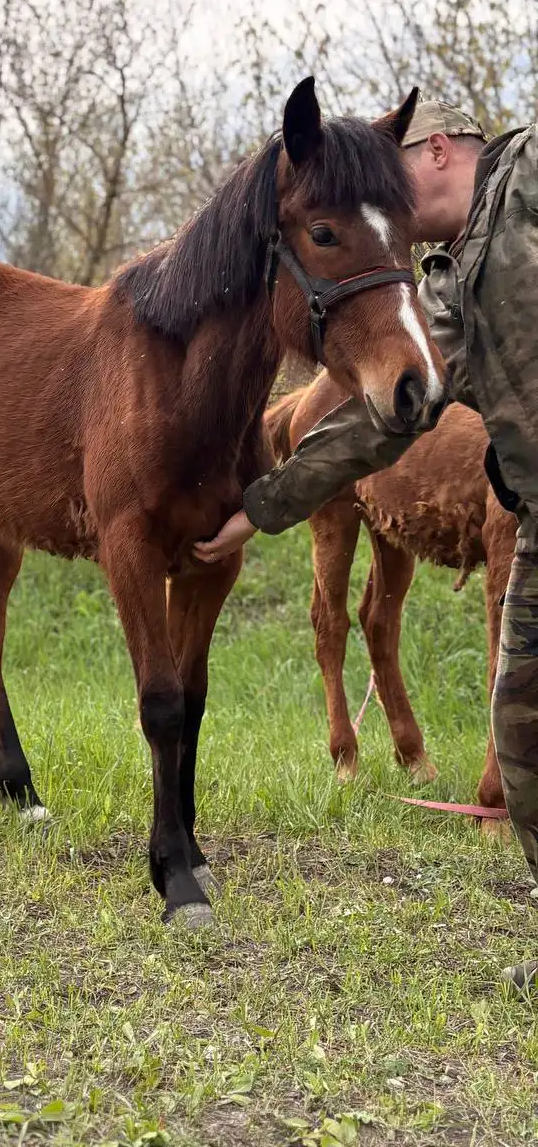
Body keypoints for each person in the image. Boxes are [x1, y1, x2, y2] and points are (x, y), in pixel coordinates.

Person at [195, 97, 538, 993]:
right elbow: (374, 428)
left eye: (390, 183)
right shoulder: (448, 299)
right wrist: (262, 507)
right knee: (522, 738)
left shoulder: (529, 175)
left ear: (437, 152)